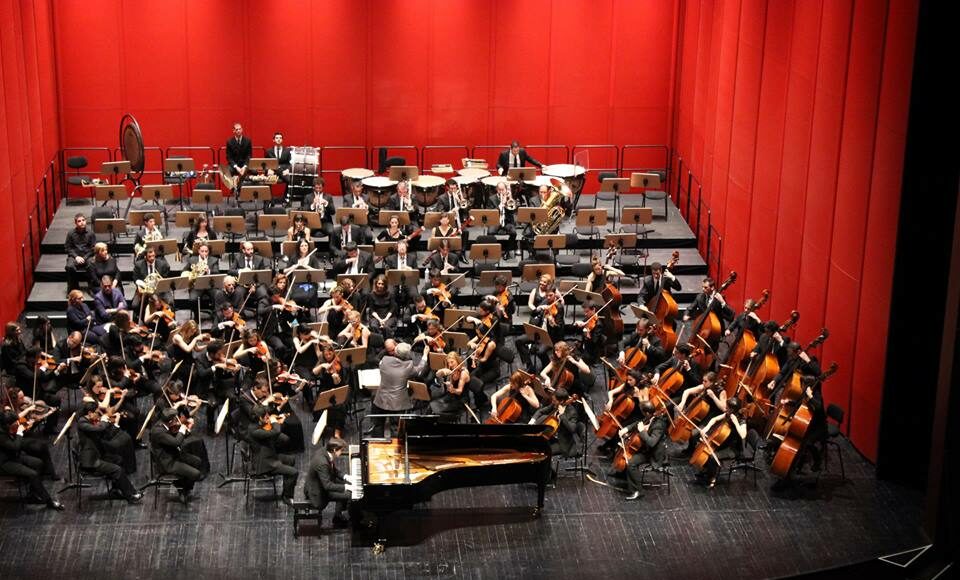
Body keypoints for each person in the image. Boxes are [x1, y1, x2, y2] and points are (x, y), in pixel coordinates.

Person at [76, 401, 142, 501]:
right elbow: (98, 429)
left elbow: (105, 434)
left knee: (119, 459)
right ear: (90, 413)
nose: (98, 415)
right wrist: (104, 420)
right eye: (96, 412)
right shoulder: (82, 423)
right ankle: (131, 495)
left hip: (98, 454)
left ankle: (115, 489)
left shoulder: (92, 421)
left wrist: (113, 423)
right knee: (117, 469)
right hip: (91, 461)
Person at [0, 411, 64, 510]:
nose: (17, 423)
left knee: (38, 463)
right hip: (5, 463)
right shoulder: (1, 434)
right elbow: (15, 446)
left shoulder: (7, 428)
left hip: (13, 457)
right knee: (32, 474)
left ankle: (32, 494)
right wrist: (19, 433)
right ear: (8, 424)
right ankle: (49, 501)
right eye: (15, 422)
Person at [367, 341, 428, 436]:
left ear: (395, 352)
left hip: (381, 399)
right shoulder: (408, 366)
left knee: (378, 426)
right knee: (396, 428)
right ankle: (396, 445)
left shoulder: (385, 360)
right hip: (397, 404)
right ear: (407, 355)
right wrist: (425, 356)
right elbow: (419, 369)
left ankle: (377, 444)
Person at [248, 405, 299, 505]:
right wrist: (274, 421)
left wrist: (277, 422)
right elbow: (275, 431)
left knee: (291, 460)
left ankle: (286, 488)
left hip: (270, 455)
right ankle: (287, 496)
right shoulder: (254, 431)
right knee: (294, 473)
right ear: (260, 418)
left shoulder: (260, 424)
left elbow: (274, 433)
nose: (268, 417)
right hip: (265, 463)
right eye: (266, 416)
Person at [149, 407, 203, 501]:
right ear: (170, 421)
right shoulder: (158, 432)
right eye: (175, 419)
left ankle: (184, 488)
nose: (177, 420)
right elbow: (176, 442)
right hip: (168, 463)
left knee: (197, 462)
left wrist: (187, 428)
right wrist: (182, 430)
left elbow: (175, 436)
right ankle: (183, 489)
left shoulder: (163, 423)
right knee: (196, 474)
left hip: (173, 454)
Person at [621, 401, 670, 501]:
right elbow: (638, 423)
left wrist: (642, 431)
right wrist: (626, 429)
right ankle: (626, 477)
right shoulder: (650, 417)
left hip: (653, 454)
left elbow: (652, 442)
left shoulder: (659, 425)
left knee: (631, 463)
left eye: (642, 412)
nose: (642, 414)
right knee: (626, 457)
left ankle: (637, 490)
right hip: (646, 448)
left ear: (647, 413)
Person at [304, 437, 353, 527]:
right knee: (349, 495)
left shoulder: (325, 451)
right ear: (334, 450)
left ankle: (337, 516)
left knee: (345, 486)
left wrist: (346, 477)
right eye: (341, 450)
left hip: (321, 482)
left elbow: (332, 469)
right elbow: (327, 486)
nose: (342, 452)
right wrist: (346, 487)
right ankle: (339, 518)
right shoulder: (323, 463)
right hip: (318, 493)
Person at [65, 213, 97, 292]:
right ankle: (73, 288)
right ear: (75, 223)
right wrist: (76, 257)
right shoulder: (70, 233)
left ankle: (92, 288)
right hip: (75, 256)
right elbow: (68, 248)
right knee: (69, 266)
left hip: (87, 256)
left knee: (91, 264)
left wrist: (85, 258)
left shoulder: (91, 233)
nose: (82, 222)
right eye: (79, 221)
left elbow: (93, 249)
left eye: (83, 220)